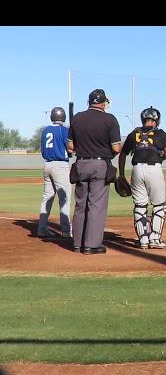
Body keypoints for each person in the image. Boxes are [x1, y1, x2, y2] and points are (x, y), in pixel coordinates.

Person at [67, 88, 122, 254]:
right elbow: (116, 147)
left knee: (80, 205)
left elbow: (70, 146)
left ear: (89, 101)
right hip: (100, 164)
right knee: (96, 205)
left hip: (81, 163)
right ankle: (92, 245)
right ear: (104, 103)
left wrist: (84, 148)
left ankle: (78, 243)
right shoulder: (110, 119)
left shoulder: (77, 118)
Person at [118, 106, 166, 249]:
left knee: (140, 205)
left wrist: (122, 174)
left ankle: (143, 239)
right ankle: (155, 238)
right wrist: (161, 157)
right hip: (153, 169)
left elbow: (123, 154)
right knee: (159, 205)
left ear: (143, 119)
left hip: (136, 170)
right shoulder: (160, 133)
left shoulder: (133, 133)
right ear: (157, 120)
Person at [37, 107, 72, 238]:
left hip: (47, 164)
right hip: (60, 165)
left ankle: (42, 228)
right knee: (64, 198)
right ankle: (66, 231)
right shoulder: (64, 130)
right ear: (63, 117)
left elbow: (42, 150)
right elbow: (70, 149)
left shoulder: (45, 130)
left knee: (47, 197)